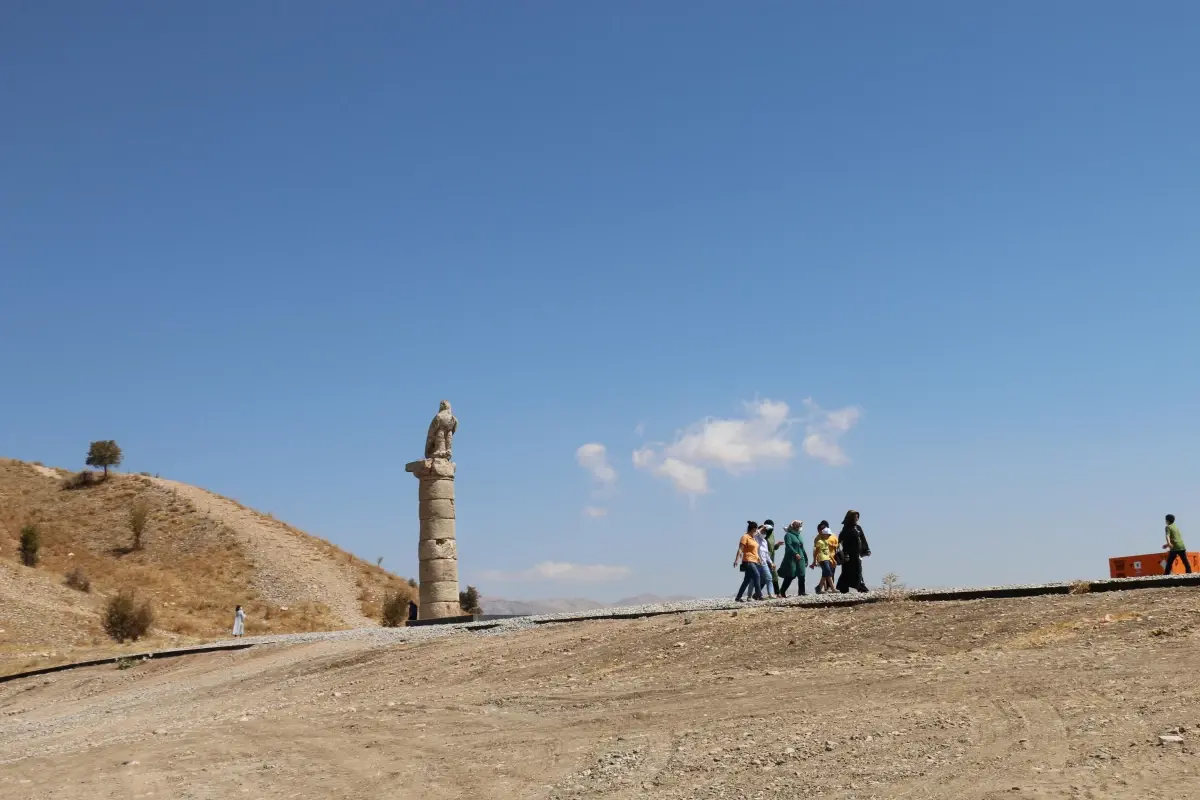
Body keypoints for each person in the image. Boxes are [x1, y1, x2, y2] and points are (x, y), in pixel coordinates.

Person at [836, 510, 871, 593]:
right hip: (848, 554)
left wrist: (866, 549)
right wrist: (841, 553)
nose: (857, 518)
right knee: (847, 571)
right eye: (855, 517)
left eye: (858, 516)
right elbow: (840, 541)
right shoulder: (846, 529)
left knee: (858, 569)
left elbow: (863, 539)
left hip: (857, 554)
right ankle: (843, 587)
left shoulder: (858, 528)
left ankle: (860, 586)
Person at [734, 521, 764, 601]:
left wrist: (759, 559)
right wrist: (736, 559)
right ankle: (759, 595)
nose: (756, 531)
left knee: (746, 580)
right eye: (755, 530)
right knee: (757, 575)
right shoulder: (745, 537)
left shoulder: (753, 539)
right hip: (748, 560)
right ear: (753, 529)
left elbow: (755, 551)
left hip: (754, 561)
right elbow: (740, 548)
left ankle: (738, 597)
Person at [778, 520, 808, 597]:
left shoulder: (799, 535)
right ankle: (782, 591)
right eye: (797, 525)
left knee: (802, 574)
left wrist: (806, 558)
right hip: (791, 558)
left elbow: (802, 547)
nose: (798, 526)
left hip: (801, 557)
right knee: (791, 575)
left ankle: (802, 592)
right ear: (792, 526)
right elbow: (788, 545)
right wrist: (795, 553)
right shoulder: (788, 535)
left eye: (799, 525)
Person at [810, 523, 837, 593]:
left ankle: (819, 588)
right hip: (822, 560)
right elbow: (816, 552)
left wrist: (833, 560)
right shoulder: (819, 542)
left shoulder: (826, 542)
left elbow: (828, 553)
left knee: (825, 574)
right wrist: (814, 561)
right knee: (828, 573)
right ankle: (833, 588)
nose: (829, 536)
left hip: (827, 559)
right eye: (828, 535)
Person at [761, 519, 782, 596]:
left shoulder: (772, 534)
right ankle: (777, 593)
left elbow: (773, 548)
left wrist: (777, 545)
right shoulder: (762, 535)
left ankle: (757, 593)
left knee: (769, 576)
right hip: (765, 559)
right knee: (773, 575)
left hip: (771, 558)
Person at [755, 525, 775, 598]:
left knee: (768, 578)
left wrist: (771, 563)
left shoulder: (765, 542)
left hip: (764, 563)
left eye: (765, 531)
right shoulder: (755, 538)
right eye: (763, 531)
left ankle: (771, 594)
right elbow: (755, 533)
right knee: (753, 580)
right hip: (756, 563)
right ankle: (754, 595)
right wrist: (762, 528)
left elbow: (766, 555)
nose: (764, 532)